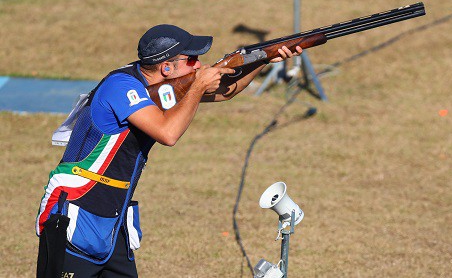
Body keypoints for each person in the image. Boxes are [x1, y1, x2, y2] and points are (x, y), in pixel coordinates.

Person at [35, 24, 302, 277]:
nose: (198, 65)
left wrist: (263, 59)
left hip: (113, 215)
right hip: (76, 209)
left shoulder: (157, 85)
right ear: (166, 67)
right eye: (191, 60)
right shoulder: (121, 87)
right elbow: (168, 134)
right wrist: (197, 86)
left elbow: (226, 91)